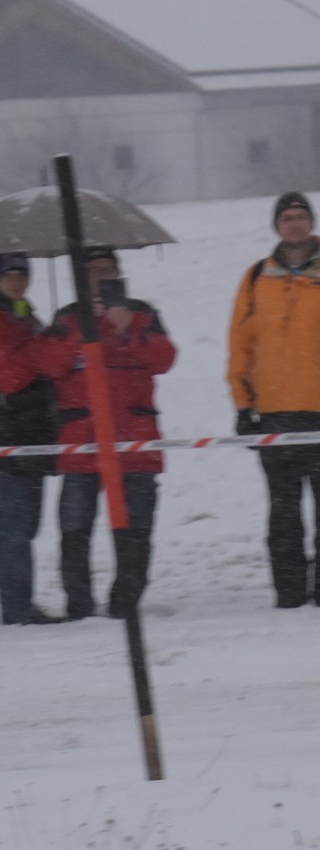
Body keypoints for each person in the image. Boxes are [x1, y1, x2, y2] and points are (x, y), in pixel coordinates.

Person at [228, 192, 320, 608]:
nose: (294, 224)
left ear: (311, 222)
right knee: (282, 511)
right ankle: (290, 591)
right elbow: (241, 344)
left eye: (300, 216)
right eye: (287, 218)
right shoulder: (256, 277)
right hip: (273, 414)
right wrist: (242, 404)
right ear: (276, 226)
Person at [38, 248, 176, 620]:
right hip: (82, 441)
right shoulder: (67, 317)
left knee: (136, 530)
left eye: (108, 268)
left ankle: (124, 604)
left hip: (135, 439)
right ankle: (79, 607)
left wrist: (127, 328)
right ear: (82, 276)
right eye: (94, 269)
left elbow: (164, 359)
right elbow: (49, 365)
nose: (102, 275)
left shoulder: (142, 313)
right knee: (75, 529)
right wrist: (81, 331)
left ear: (118, 272)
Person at [0, 254, 60, 626]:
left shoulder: (25, 314)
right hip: (9, 441)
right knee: (14, 531)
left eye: (22, 274)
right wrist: (42, 347)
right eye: (10, 274)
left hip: (32, 438)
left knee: (24, 528)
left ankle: (19, 602)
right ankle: (17, 607)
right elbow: (8, 376)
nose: (17, 281)